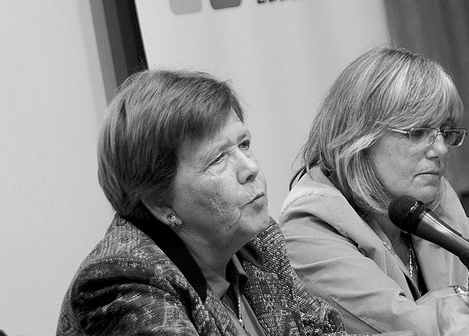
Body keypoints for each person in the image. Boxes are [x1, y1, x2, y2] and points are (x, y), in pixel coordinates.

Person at [279, 47, 469, 335]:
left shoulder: (435, 200)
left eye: (445, 131)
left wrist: (451, 300)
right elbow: (412, 329)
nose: (440, 150)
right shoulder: (309, 229)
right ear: (359, 137)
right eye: (417, 133)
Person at [57, 69, 354, 336]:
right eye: (217, 158)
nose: (249, 168)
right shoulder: (122, 282)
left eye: (244, 144)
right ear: (161, 203)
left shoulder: (258, 241)